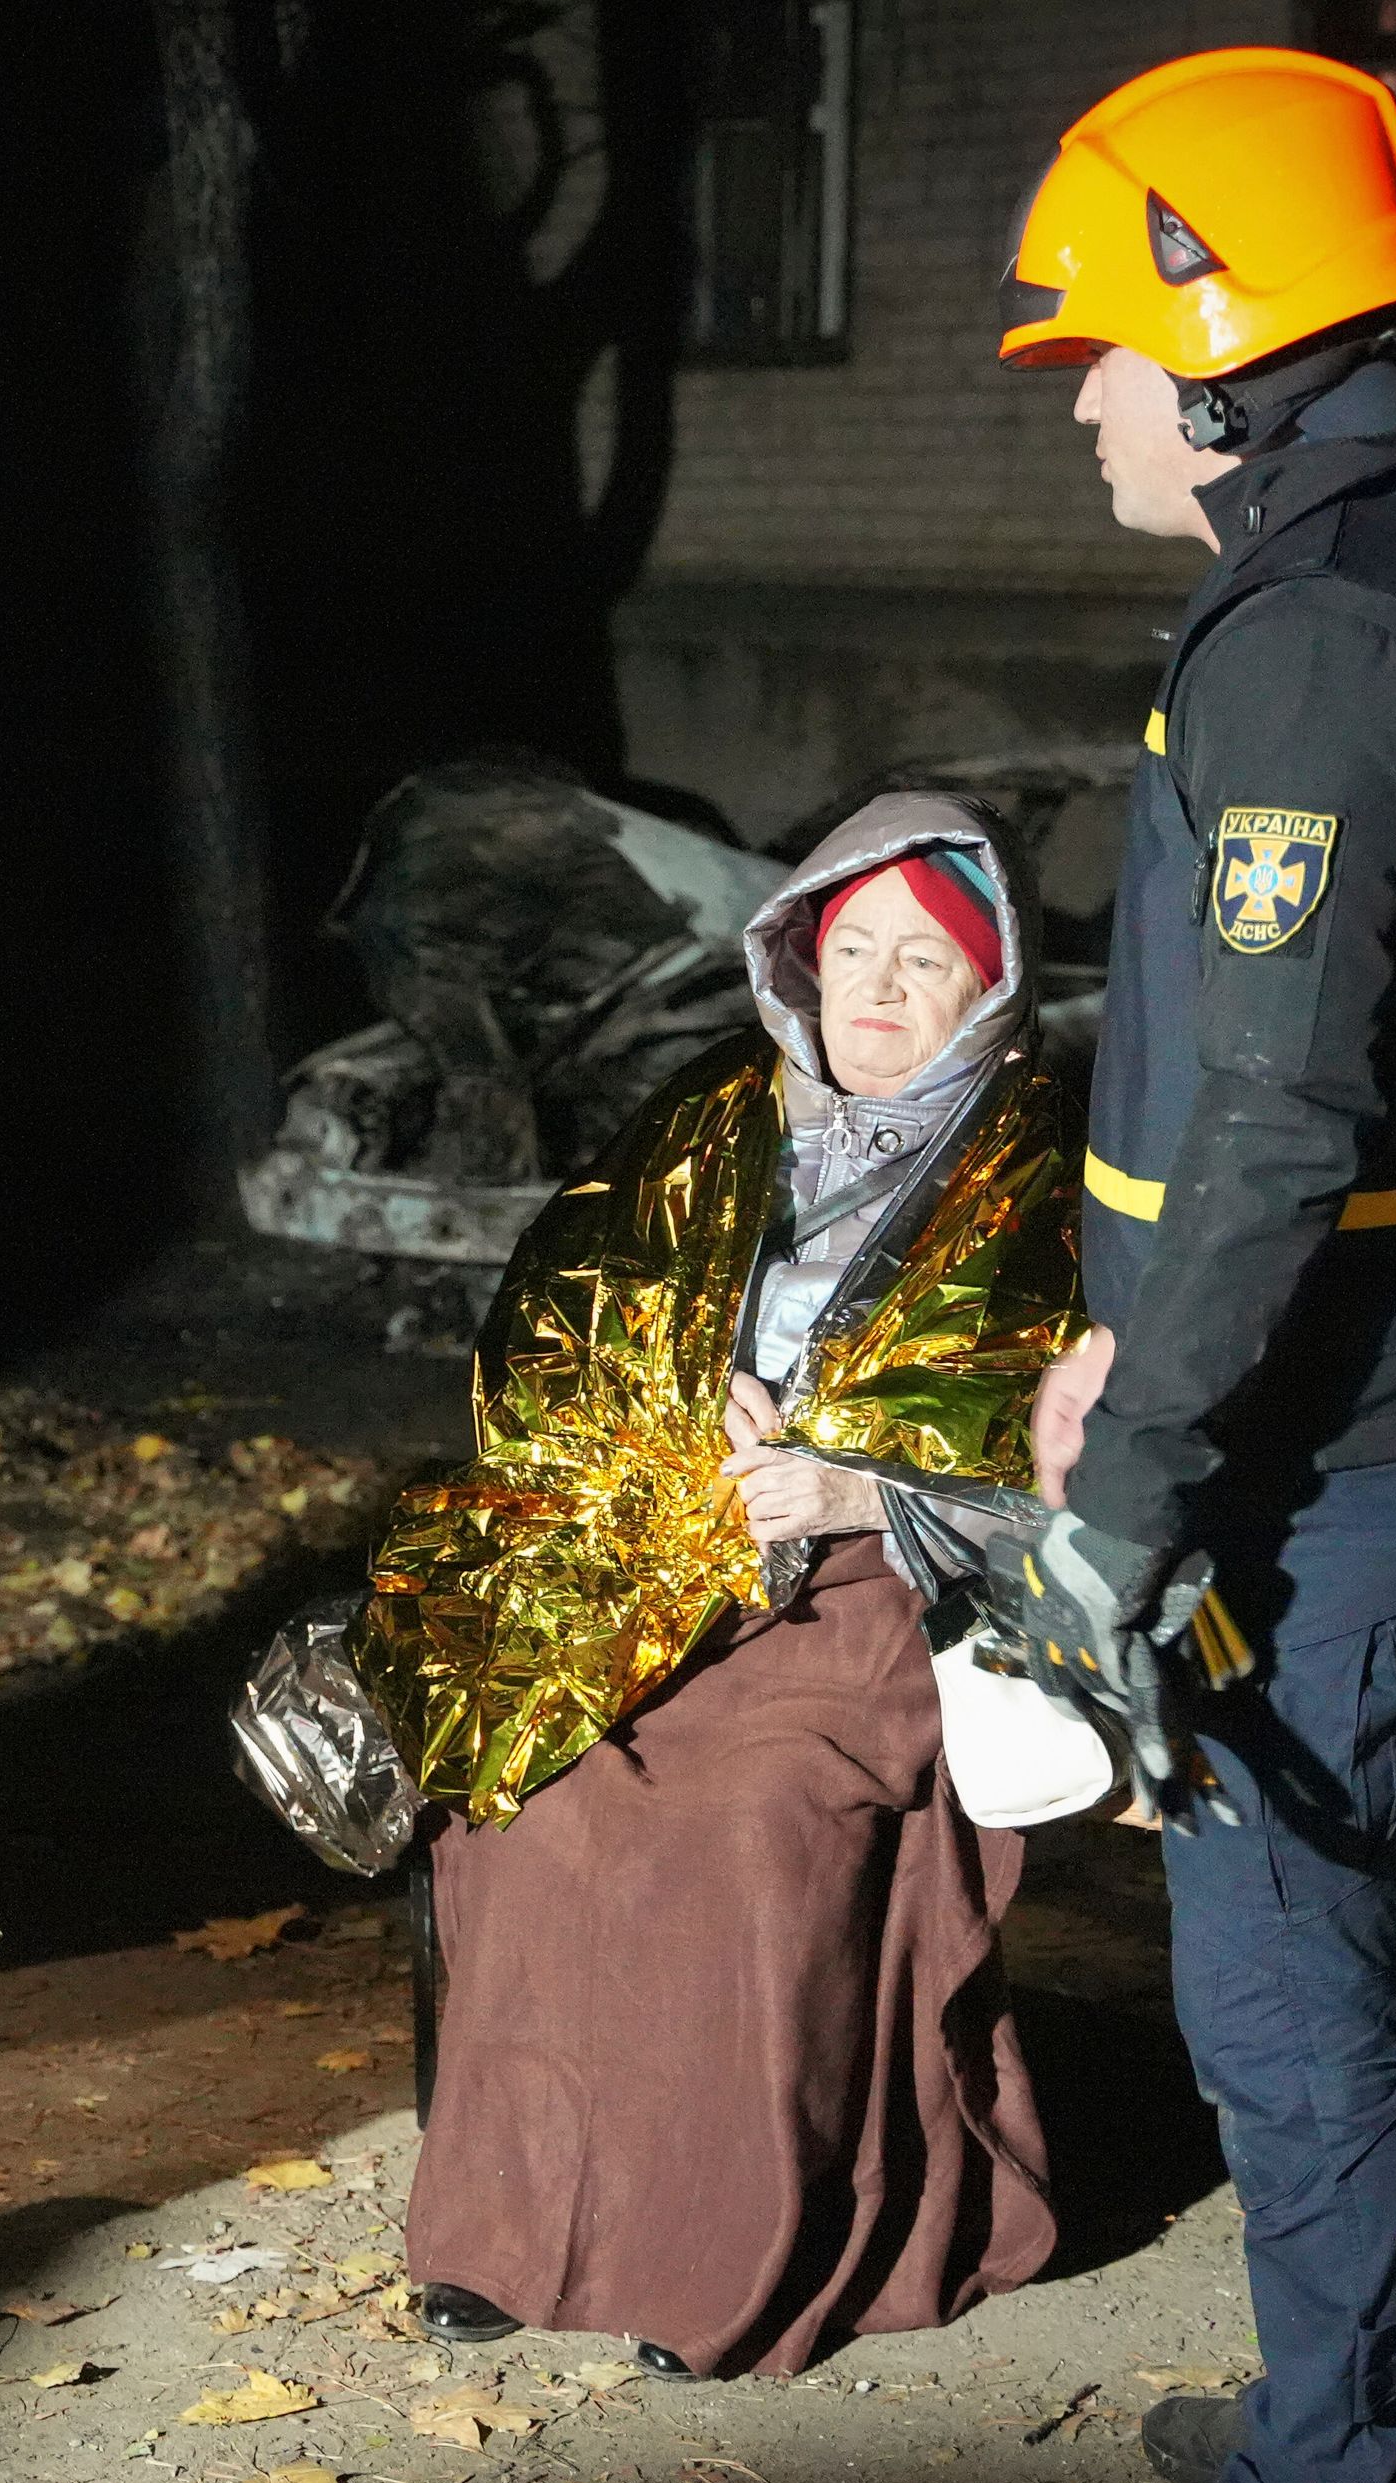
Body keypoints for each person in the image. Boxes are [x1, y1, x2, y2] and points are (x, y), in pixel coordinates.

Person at [988, 50, 1396, 2483]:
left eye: (1114, 350)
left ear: (1233, 352)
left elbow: (1276, 1117)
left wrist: (1127, 1483)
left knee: (1289, 1984)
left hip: (1322, 1449)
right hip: (1351, 1402)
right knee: (1304, 1957)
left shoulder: (1334, 633)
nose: (1092, 395)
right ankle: (1340, 2411)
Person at [353, 787, 1086, 2381]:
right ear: (799, 960)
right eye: (855, 949)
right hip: (660, 1565)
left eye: (927, 963)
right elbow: (561, 1335)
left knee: (748, 1824)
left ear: (991, 990)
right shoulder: (710, 1119)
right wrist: (669, 1427)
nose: (882, 989)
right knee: (528, 1789)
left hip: (891, 1590)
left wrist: (858, 1483)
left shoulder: (1043, 1167)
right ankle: (518, 2232)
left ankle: (732, 2261)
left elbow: (1078, 1443)